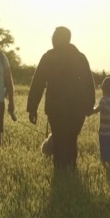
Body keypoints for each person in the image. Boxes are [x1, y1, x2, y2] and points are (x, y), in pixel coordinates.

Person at [27, 26, 95, 172]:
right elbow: (89, 83)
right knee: (71, 140)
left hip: (56, 108)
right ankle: (71, 170)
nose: (52, 39)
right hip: (77, 109)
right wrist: (89, 106)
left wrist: (32, 108)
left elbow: (38, 83)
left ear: (59, 39)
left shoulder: (49, 57)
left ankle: (61, 172)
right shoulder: (80, 57)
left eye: (54, 36)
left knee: (59, 140)